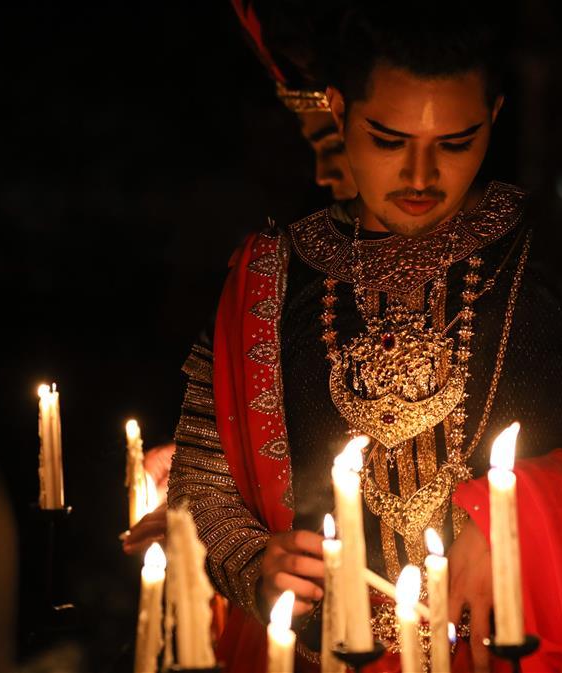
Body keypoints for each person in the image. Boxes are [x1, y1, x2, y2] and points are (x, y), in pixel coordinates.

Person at [168, 3, 562, 671]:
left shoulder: (557, 253)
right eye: (388, 139)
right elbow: (199, 487)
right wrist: (252, 562)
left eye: (455, 141)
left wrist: (518, 520)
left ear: (494, 117)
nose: (419, 175)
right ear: (336, 108)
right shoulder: (270, 276)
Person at [122, 0, 357, 558]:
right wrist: (200, 483)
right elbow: (218, 459)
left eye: (331, 144)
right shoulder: (273, 266)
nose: (322, 172)